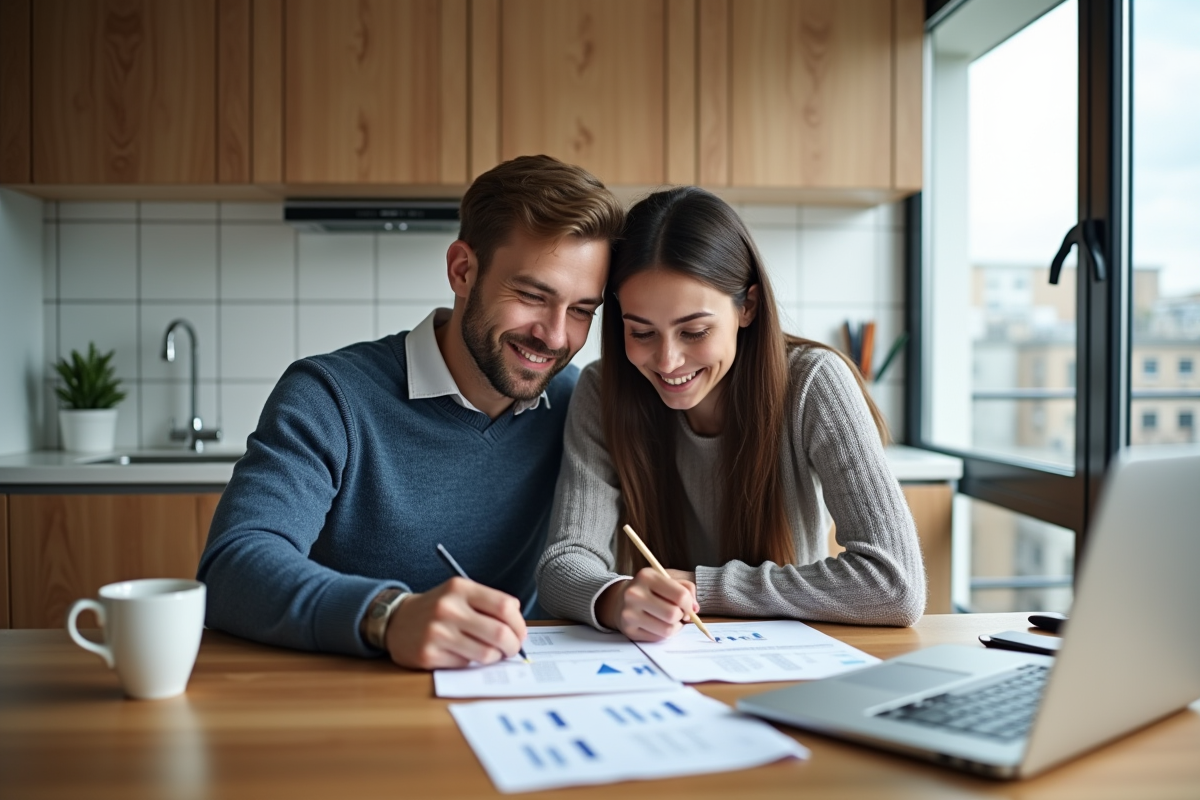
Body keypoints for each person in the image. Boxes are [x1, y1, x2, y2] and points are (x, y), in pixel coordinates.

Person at [198, 155, 625, 669]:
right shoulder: (330, 395)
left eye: (582, 311)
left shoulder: (576, 405)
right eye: (533, 295)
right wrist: (389, 615)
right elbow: (231, 566)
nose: (556, 336)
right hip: (355, 697)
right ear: (462, 270)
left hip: (517, 694)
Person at [536, 186, 925, 642]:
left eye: (695, 331)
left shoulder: (814, 383)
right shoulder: (603, 390)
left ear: (748, 307)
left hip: (788, 658)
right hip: (660, 658)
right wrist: (615, 596)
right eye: (641, 332)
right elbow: (564, 563)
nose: (666, 361)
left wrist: (701, 587)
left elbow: (894, 584)